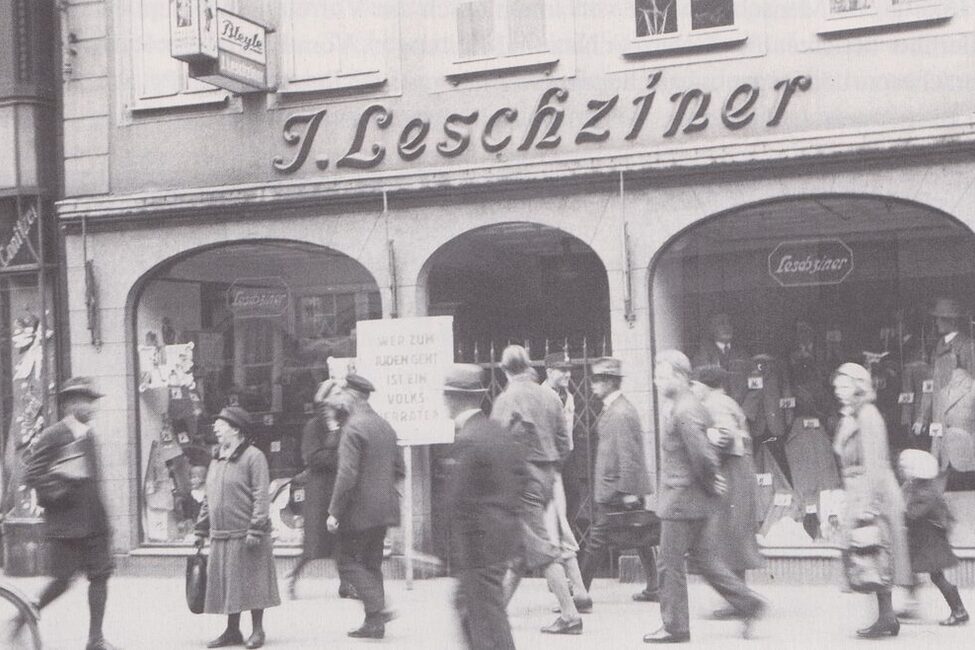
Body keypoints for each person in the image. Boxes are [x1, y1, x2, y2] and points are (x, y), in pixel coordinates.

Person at [645, 350, 765, 644]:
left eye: (662, 376)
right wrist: (710, 485)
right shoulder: (689, 405)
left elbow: (701, 454)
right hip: (694, 498)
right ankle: (748, 602)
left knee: (669, 563)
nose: (657, 381)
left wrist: (712, 480)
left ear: (680, 376)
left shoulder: (684, 409)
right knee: (706, 561)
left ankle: (675, 627)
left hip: (680, 499)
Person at [19, 377, 117, 650]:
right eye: (86, 401)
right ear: (70, 404)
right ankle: (23, 615)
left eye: (92, 401)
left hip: (94, 524)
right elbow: (31, 474)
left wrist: (105, 521)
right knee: (62, 581)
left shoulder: (89, 435)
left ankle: (95, 639)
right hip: (67, 525)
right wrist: (62, 486)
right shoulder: (54, 435)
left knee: (100, 576)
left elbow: (94, 482)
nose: (91, 407)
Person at [492, 345, 581, 635]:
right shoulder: (550, 396)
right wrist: (551, 468)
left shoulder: (506, 399)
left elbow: (494, 446)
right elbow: (565, 442)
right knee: (522, 550)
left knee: (541, 548)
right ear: (529, 365)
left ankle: (570, 615)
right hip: (546, 477)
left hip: (521, 479)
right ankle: (495, 613)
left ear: (504, 370)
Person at [443, 364, 527, 650]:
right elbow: (522, 479)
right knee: (473, 607)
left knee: (486, 617)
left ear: (454, 398)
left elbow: (458, 500)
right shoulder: (497, 431)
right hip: (502, 539)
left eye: (446, 395)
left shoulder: (468, 439)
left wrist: (454, 552)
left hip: (478, 546)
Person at [832, 363, 911, 639]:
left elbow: (876, 462)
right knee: (872, 554)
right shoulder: (853, 414)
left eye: (844, 386)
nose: (839, 391)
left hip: (872, 491)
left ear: (858, 386)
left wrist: (869, 504)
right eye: (837, 386)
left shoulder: (867, 415)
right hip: (860, 490)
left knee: (875, 551)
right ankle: (886, 616)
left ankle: (885, 617)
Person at [194, 406, 280, 649]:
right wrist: (201, 529)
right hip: (221, 535)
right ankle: (232, 631)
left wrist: (256, 528)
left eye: (221, 425)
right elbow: (208, 497)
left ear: (236, 430)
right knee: (229, 584)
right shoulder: (216, 458)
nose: (216, 429)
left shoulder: (254, 456)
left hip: (247, 534)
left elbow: (261, 495)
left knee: (253, 583)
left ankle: (258, 631)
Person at [326, 374, 404, 640]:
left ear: (352, 396)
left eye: (342, 394)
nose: (340, 399)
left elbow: (346, 474)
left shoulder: (353, 428)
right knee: (371, 563)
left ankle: (378, 607)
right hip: (385, 507)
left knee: (346, 561)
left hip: (359, 510)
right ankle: (374, 624)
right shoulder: (385, 425)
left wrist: (335, 511)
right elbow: (399, 469)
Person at [576, 357, 659, 603]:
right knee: (640, 536)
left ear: (611, 382)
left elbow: (629, 453)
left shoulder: (620, 412)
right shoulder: (615, 408)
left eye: (598, 380)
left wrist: (628, 491)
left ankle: (579, 595)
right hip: (618, 488)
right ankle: (655, 587)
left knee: (597, 541)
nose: (593, 384)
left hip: (616, 490)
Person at [692, 366, 765, 618]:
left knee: (728, 533)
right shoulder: (727, 401)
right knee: (734, 535)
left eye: (695, 385)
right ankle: (739, 598)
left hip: (731, 472)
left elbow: (724, 437)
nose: (694, 390)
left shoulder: (715, 404)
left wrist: (704, 451)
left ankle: (739, 600)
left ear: (705, 385)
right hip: (739, 471)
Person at [286, 379, 356, 600]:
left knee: (343, 540)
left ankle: (346, 584)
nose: (340, 397)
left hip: (339, 487)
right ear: (325, 399)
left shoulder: (346, 422)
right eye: (335, 393)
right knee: (314, 543)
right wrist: (341, 456)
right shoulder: (313, 426)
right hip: (319, 490)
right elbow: (312, 458)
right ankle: (293, 578)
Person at [540, 351, 591, 610]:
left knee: (562, 525)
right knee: (556, 530)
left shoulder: (568, 396)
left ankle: (572, 590)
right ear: (549, 371)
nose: (568, 374)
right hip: (551, 466)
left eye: (569, 369)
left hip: (564, 464)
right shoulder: (542, 396)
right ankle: (573, 590)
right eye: (562, 370)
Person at [898, 449, 969, 626]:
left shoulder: (925, 492)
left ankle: (959, 610)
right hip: (922, 541)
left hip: (930, 543)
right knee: (910, 570)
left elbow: (913, 514)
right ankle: (912, 605)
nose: (903, 471)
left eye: (905, 468)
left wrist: (900, 511)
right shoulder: (917, 487)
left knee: (937, 577)